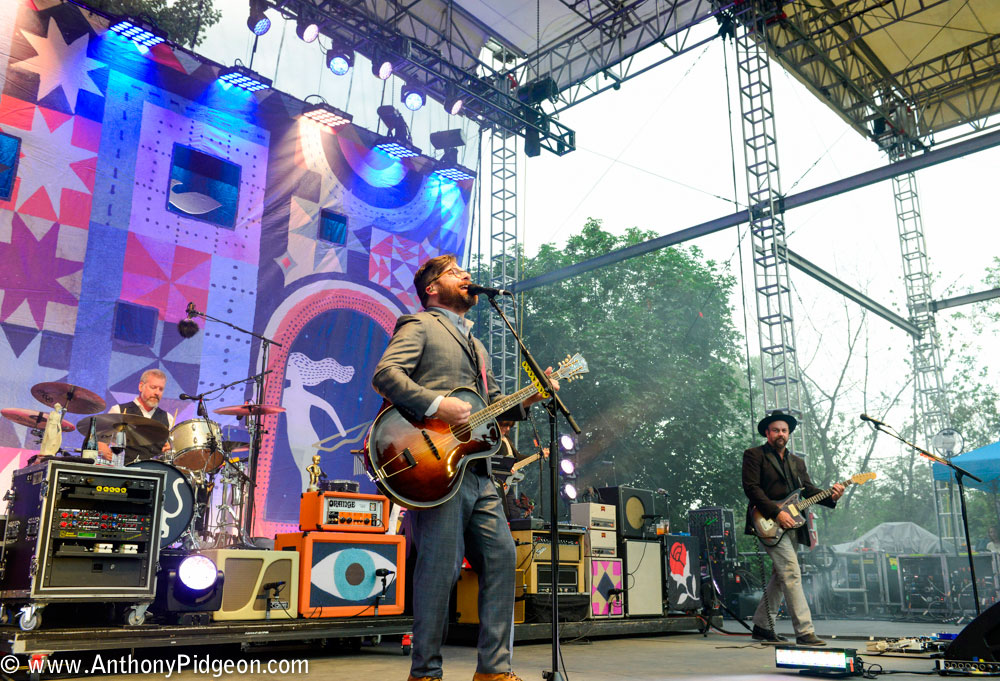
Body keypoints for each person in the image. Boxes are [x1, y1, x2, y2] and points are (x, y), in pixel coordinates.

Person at [372, 254, 557, 681]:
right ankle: (426, 673)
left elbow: (484, 416)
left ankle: (493, 671)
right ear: (432, 289)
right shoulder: (419, 324)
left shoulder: (477, 346)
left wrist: (527, 400)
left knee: (502, 559)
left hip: (476, 471)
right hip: (432, 468)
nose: (467, 276)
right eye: (455, 273)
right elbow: (386, 374)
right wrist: (438, 404)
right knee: (440, 570)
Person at [742, 411, 843, 647]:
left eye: (784, 430)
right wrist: (778, 513)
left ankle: (762, 627)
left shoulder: (797, 462)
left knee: (781, 575)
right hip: (767, 521)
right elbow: (752, 488)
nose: (780, 434)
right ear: (767, 433)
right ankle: (805, 631)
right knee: (791, 572)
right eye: (776, 430)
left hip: (793, 525)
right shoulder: (754, 455)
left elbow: (808, 490)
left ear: (789, 434)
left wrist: (833, 496)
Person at [98, 368, 174, 463]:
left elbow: (172, 450)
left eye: (161, 389)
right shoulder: (119, 410)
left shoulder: (168, 418)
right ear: (141, 386)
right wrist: (103, 449)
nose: (157, 393)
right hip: (126, 471)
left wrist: (169, 447)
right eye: (153, 387)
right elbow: (100, 440)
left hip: (156, 473)